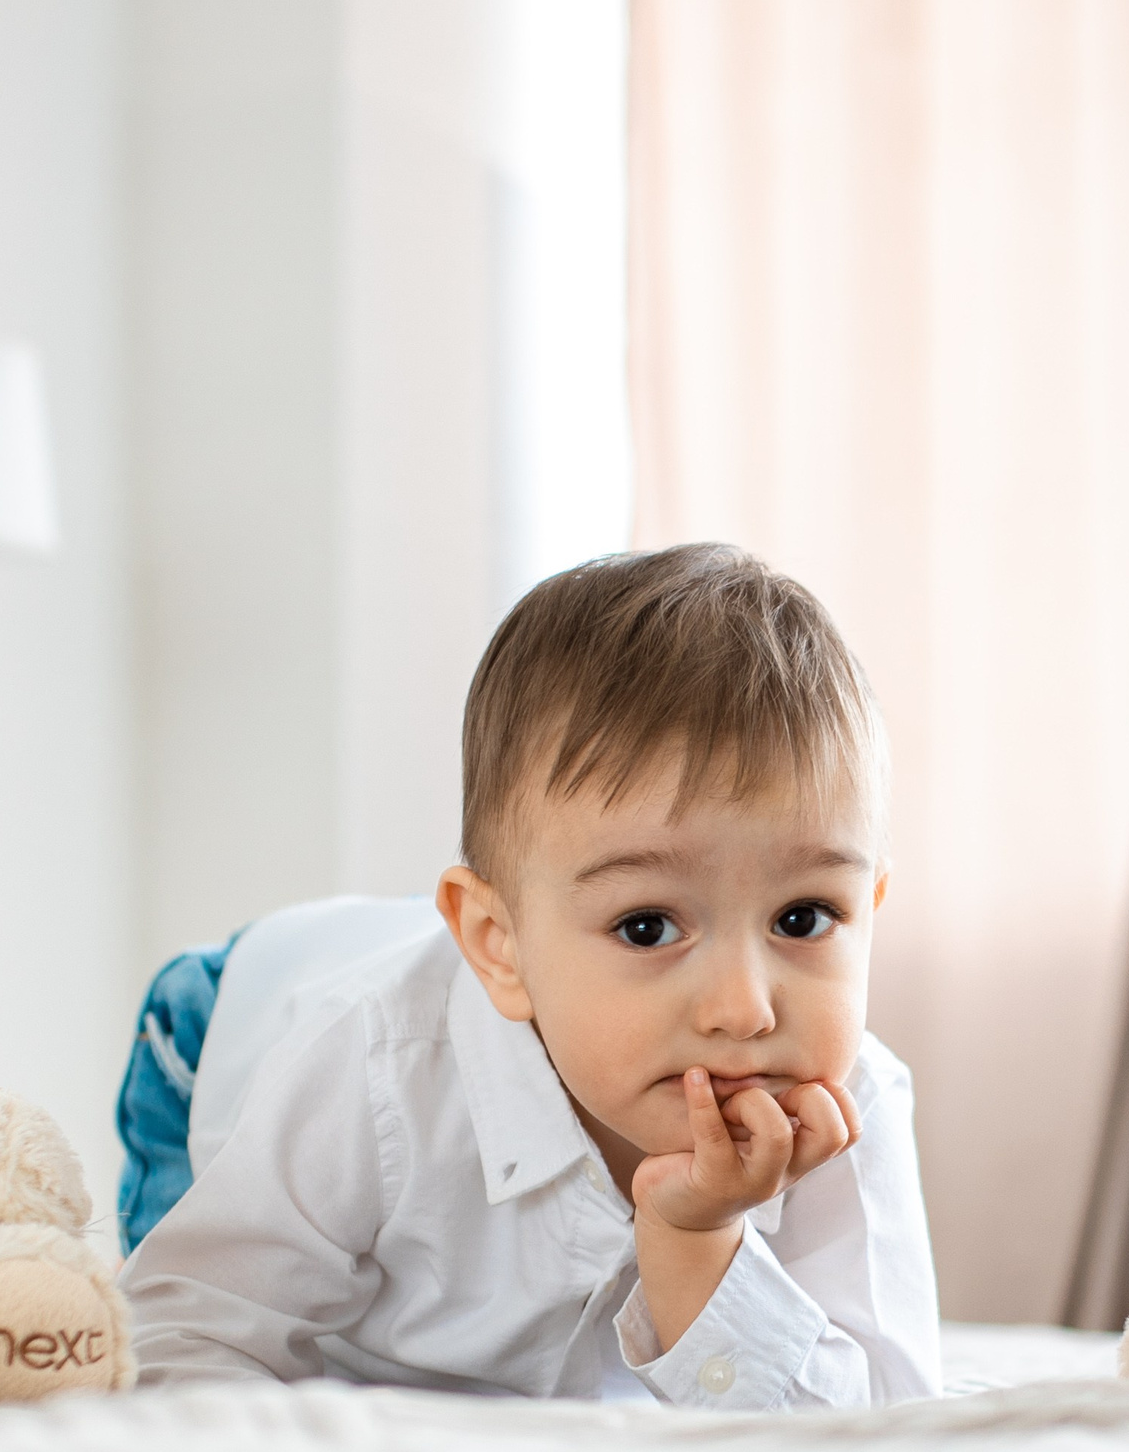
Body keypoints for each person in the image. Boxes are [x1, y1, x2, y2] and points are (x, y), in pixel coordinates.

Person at [114, 543, 940, 1407]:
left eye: (803, 918)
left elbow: (881, 1428)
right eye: (648, 926)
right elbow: (185, 1331)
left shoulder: (855, 1103)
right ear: (495, 944)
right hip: (224, 1038)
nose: (744, 1009)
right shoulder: (376, 1067)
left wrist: (701, 1243)